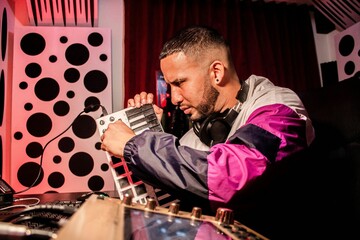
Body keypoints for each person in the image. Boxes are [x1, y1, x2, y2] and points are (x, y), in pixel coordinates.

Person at [100, 26, 315, 216]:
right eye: (169, 86)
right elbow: (176, 187)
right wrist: (149, 131)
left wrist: (135, 145)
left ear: (216, 72)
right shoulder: (199, 132)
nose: (173, 98)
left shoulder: (279, 106)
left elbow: (229, 177)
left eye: (179, 83)